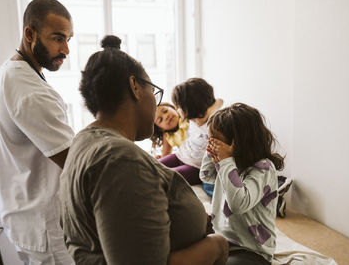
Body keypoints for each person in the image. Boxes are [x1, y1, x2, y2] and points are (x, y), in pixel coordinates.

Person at [59, 35, 228, 265]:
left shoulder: (83, 141)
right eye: (154, 92)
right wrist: (216, 246)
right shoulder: (119, 160)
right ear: (135, 87)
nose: (157, 105)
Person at [0, 0, 75, 264]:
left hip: (30, 219)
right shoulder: (26, 87)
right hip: (45, 226)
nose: (66, 49)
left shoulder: (13, 71)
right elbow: (72, 160)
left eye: (69, 39)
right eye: (58, 38)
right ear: (29, 33)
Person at [200, 103, 285, 265]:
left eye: (215, 140)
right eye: (209, 138)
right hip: (221, 240)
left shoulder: (263, 168)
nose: (211, 143)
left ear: (237, 142)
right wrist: (211, 152)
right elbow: (206, 175)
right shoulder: (229, 163)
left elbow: (238, 204)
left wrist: (225, 161)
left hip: (251, 249)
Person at [158, 78, 223, 186]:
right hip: (180, 155)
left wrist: (205, 116)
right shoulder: (192, 119)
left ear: (190, 108)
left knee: (166, 177)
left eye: (178, 107)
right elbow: (219, 101)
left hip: (195, 167)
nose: (177, 110)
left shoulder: (214, 123)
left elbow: (219, 102)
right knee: (150, 166)